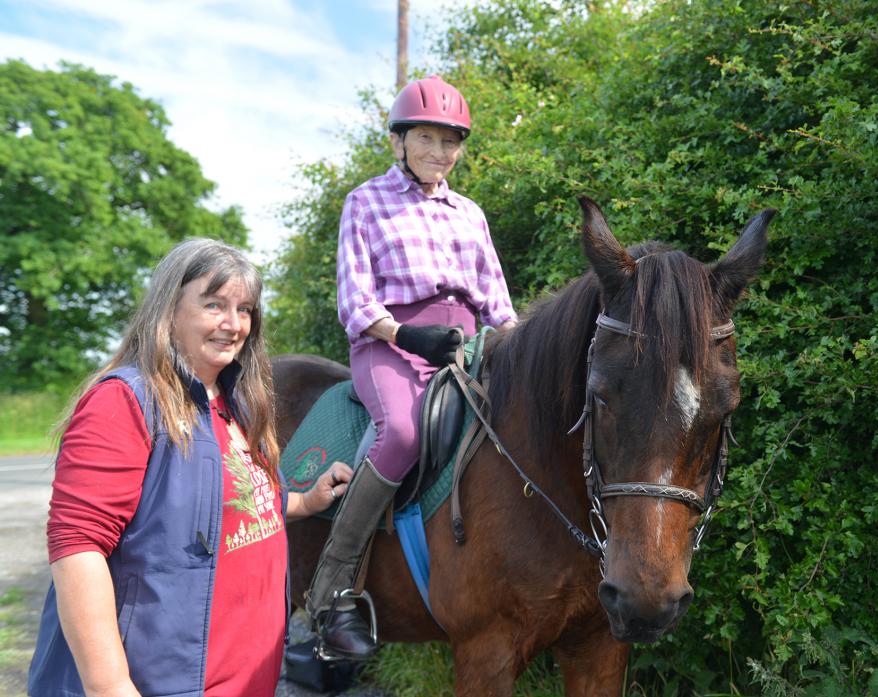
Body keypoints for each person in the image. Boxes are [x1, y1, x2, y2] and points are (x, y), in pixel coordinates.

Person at [27, 239, 353, 697]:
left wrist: (307, 499)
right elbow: (77, 547)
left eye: (245, 310)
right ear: (169, 310)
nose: (233, 324)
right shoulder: (124, 401)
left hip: (245, 679)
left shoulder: (235, 400)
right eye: (214, 305)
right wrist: (110, 686)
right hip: (162, 681)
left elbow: (243, 505)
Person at [307, 75, 518, 660]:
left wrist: (521, 347)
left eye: (451, 142)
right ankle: (334, 589)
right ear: (399, 141)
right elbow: (355, 298)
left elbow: (497, 301)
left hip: (466, 344)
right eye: (426, 138)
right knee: (401, 431)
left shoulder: (469, 213)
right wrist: (405, 333)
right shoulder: (365, 202)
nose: (440, 153)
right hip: (390, 341)